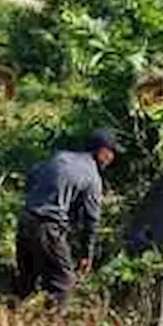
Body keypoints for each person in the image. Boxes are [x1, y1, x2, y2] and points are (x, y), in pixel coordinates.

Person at [14, 129, 118, 307]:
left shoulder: (60, 157)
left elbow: (33, 174)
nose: (112, 158)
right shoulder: (93, 177)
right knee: (63, 281)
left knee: (27, 279)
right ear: (102, 152)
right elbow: (91, 220)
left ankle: (13, 317)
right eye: (111, 153)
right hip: (47, 228)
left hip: (25, 220)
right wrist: (87, 254)